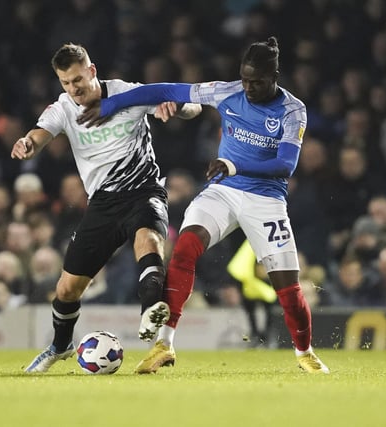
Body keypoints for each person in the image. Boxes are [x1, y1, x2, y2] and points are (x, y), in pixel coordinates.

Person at [79, 37, 330, 374]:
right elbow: (166, 90)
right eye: (245, 79)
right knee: (184, 249)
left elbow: (285, 166)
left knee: (287, 286)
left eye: (257, 81)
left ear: (275, 76)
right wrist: (111, 105)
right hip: (223, 191)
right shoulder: (227, 92)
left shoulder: (291, 110)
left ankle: (305, 352)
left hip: (266, 199)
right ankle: (163, 345)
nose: (249, 88)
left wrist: (234, 166)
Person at [12, 43, 201, 373]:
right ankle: (60, 346)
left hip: (144, 191)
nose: (74, 89)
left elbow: (193, 108)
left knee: (149, 241)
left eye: (78, 81)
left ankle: (151, 309)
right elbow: (41, 133)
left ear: (92, 71)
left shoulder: (128, 94)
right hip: (102, 204)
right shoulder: (64, 107)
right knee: (67, 289)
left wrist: (177, 108)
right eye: (66, 83)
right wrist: (28, 144)